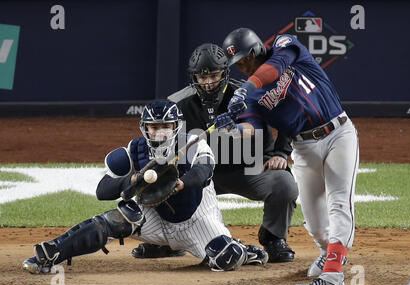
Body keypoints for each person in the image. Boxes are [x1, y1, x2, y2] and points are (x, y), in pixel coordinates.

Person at [22, 99, 268, 274]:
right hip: (155, 220)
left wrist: (180, 183)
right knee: (119, 217)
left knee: (226, 258)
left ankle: (244, 251)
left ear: (175, 127)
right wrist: (130, 180)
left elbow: (204, 172)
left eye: (165, 126)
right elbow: (102, 190)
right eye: (153, 127)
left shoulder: (193, 144)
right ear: (145, 128)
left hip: (197, 221)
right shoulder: (135, 149)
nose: (159, 132)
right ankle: (52, 252)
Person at [218, 28, 359, 285]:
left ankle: (333, 276)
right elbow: (254, 131)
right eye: (238, 66)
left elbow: (275, 68)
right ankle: (327, 253)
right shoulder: (249, 98)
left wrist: (247, 87)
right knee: (316, 222)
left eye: (245, 60)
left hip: (338, 134)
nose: (243, 68)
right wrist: (234, 127)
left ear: (257, 49)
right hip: (303, 148)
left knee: (339, 202)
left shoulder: (285, 46)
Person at [132, 43, 299, 263]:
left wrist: (281, 152)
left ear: (225, 73)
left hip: (251, 167)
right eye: (202, 77)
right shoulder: (178, 103)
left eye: (214, 75)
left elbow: (288, 115)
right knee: (162, 181)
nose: (208, 82)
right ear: (194, 77)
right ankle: (167, 243)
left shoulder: (247, 94)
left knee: (283, 184)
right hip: (202, 174)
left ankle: (273, 238)